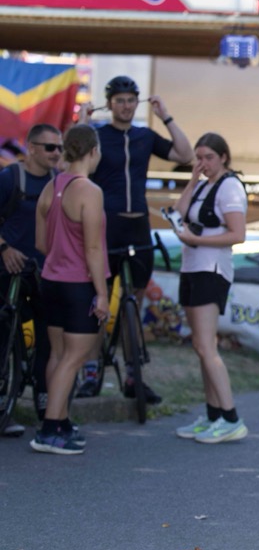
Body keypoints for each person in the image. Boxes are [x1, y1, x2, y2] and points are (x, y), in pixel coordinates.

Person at [78, 75, 193, 402]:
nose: (126, 106)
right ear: (109, 104)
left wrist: (165, 116)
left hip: (138, 226)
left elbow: (184, 154)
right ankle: (91, 371)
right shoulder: (98, 136)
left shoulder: (145, 136)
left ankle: (133, 375)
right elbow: (72, 159)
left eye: (131, 100)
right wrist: (83, 122)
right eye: (120, 101)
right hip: (107, 225)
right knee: (98, 303)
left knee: (135, 303)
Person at [31, 125, 109, 455]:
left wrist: (62, 256)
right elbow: (93, 249)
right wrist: (102, 293)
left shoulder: (51, 186)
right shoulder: (89, 190)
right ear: (93, 151)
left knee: (58, 355)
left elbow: (40, 243)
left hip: (51, 280)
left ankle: (60, 420)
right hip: (78, 285)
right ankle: (50, 430)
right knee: (73, 358)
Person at [171, 133, 249, 444]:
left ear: (224, 157)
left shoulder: (229, 186)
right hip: (192, 267)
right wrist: (192, 180)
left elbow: (238, 234)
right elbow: (178, 213)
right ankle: (213, 414)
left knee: (206, 346)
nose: (203, 163)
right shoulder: (204, 184)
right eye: (199, 158)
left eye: (209, 158)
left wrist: (196, 239)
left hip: (211, 270)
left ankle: (231, 418)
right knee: (200, 346)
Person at [0, 124, 61, 435]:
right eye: (50, 147)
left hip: (45, 272)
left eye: (59, 148)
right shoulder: (9, 178)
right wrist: (4, 248)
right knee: (3, 333)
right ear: (32, 148)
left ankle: (44, 397)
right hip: (8, 269)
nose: (56, 153)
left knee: (49, 335)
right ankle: (3, 403)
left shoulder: (59, 182)